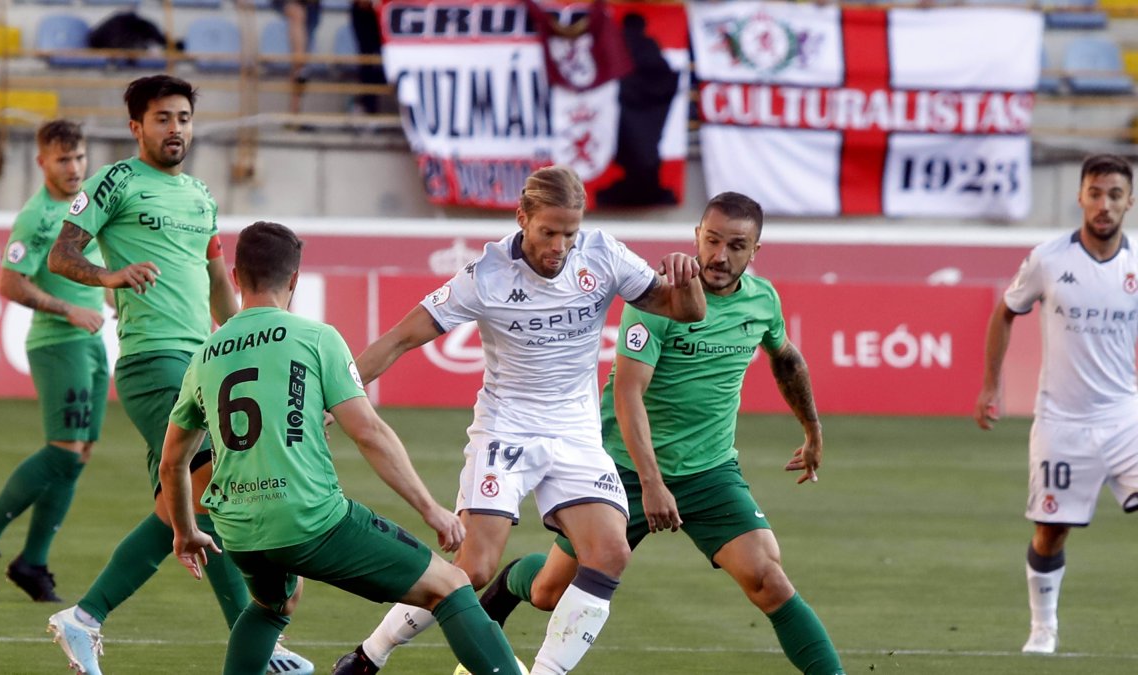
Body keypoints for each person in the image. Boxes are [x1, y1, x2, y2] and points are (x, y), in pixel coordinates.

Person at [332, 165, 706, 675]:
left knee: (610, 552)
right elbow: (400, 338)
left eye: (569, 233)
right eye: (548, 232)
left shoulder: (603, 255)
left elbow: (686, 311)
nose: (559, 246)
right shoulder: (485, 275)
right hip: (506, 430)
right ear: (522, 218)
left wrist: (688, 278)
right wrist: (339, 397)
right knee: (473, 569)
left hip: (575, 433)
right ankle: (368, 655)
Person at [476, 192, 845, 674]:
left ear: (755, 250)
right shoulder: (660, 299)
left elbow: (786, 358)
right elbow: (627, 393)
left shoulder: (762, 300)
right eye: (712, 240)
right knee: (549, 592)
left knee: (768, 580)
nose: (720, 256)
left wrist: (812, 430)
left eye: (736, 246)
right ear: (697, 236)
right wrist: (651, 483)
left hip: (710, 472)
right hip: (624, 470)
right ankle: (511, 583)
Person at [160, 221, 524, 675]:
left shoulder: (206, 355)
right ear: (294, 279)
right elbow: (368, 432)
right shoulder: (316, 338)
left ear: (235, 276)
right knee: (449, 584)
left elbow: (172, 462)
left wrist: (184, 531)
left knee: (275, 602)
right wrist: (430, 509)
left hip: (239, 531)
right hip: (310, 520)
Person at [42, 76, 313, 675]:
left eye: (184, 118)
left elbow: (217, 283)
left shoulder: (200, 195)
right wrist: (109, 277)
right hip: (153, 361)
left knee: (191, 506)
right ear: (136, 127)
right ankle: (92, 617)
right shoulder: (114, 181)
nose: (176, 129)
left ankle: (90, 618)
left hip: (200, 364)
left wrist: (247, 345)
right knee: (215, 479)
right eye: (163, 118)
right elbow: (61, 255)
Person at [975, 153, 1137, 655]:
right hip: (1062, 422)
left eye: (1115, 194)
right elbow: (1006, 311)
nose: (1104, 204)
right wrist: (990, 385)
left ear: (1129, 201)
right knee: (1051, 531)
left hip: (1125, 418)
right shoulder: (1049, 259)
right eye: (1096, 193)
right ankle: (1043, 628)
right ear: (1080, 196)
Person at [0, 120, 107, 604]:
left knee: (80, 454)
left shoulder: (86, 204)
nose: (74, 167)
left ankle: (33, 562)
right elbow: (9, 282)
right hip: (58, 341)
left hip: (92, 343)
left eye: (79, 157)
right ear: (42, 162)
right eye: (63, 159)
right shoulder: (37, 217)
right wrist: (68, 309)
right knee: (62, 451)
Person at [272, 0, 321, 119]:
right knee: (297, 13)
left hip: (311, 7)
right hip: (293, 4)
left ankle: (294, 114)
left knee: (299, 66)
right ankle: (294, 115)